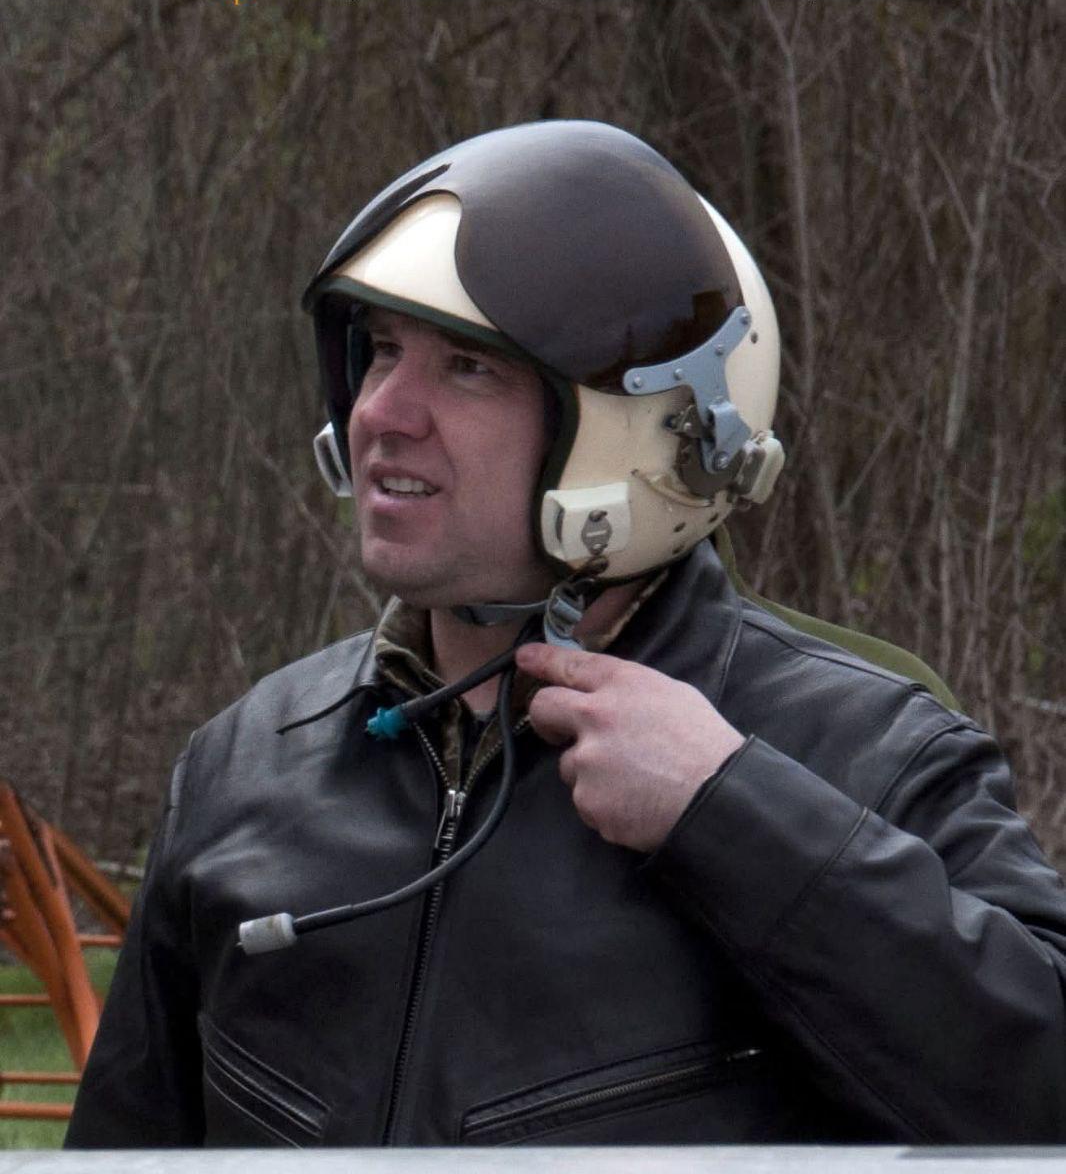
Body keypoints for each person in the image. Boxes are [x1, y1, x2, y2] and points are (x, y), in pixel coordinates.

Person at [67, 121, 1066, 1148]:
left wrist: (730, 812)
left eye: (468, 368)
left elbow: (1039, 1092)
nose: (383, 412)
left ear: (648, 436)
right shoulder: (239, 767)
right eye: (383, 351)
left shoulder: (868, 755)